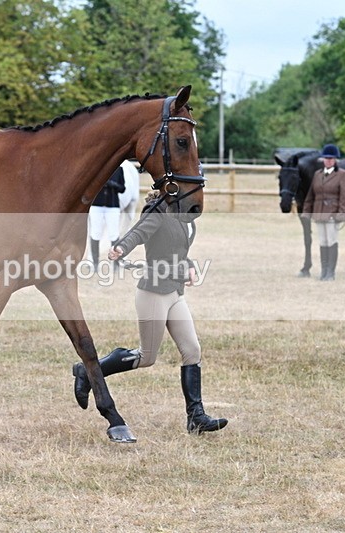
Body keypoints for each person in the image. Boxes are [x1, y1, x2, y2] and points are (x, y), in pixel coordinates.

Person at [72, 191, 228, 437]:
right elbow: (139, 233)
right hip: (154, 293)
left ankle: (196, 417)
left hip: (175, 293)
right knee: (147, 357)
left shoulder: (183, 215)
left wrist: (188, 267)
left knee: (192, 351)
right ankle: (87, 371)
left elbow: (179, 250)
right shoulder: (158, 210)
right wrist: (121, 247)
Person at [301, 143, 345, 281]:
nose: (328, 160)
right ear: (323, 159)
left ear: (335, 160)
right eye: (326, 158)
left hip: (332, 213)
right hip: (319, 213)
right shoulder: (317, 174)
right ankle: (323, 270)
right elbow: (311, 194)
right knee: (322, 241)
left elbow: (344, 196)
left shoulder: (342, 175)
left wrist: (341, 212)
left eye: (331, 158)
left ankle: (331, 272)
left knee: (331, 241)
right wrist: (306, 211)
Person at [88, 166, 126, 265]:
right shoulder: (97, 167)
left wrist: (112, 184)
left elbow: (122, 188)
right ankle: (95, 263)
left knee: (114, 234)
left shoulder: (119, 169)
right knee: (95, 233)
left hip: (112, 205)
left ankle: (116, 262)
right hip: (97, 204)